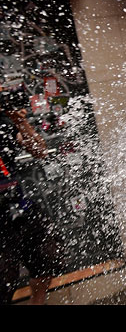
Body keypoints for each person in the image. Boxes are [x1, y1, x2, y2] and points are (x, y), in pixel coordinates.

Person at [0, 100, 65, 305]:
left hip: (18, 206)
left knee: (47, 255)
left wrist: (21, 123)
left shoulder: (4, 122)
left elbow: (40, 150)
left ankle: (37, 302)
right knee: (4, 276)